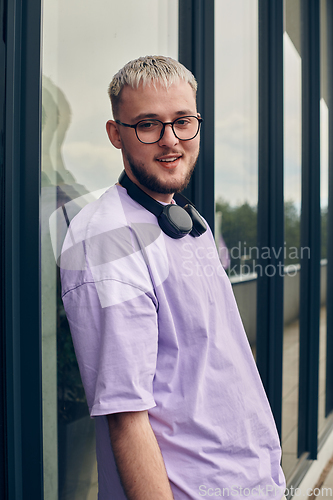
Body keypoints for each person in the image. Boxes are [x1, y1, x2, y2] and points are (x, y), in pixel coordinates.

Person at [60, 55, 286, 500]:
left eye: (183, 121)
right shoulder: (108, 240)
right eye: (148, 124)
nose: (170, 141)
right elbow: (126, 415)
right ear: (115, 134)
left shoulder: (183, 216)